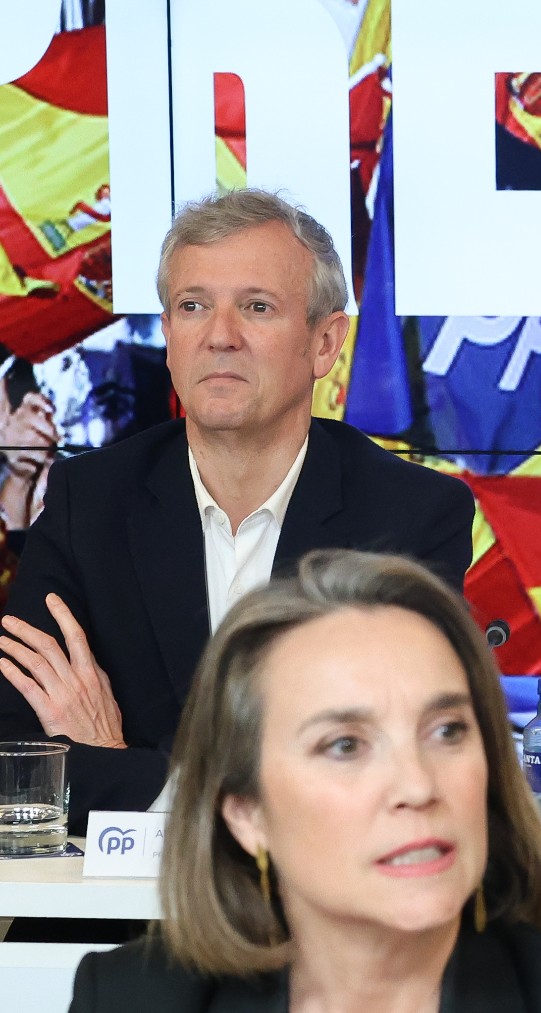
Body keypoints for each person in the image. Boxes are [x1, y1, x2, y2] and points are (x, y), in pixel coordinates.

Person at [0, 189, 475, 829]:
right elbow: (17, 760)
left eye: (257, 307)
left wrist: (122, 766)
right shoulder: (91, 500)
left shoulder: (410, 516)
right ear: (167, 336)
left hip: (316, 914)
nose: (220, 337)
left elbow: (387, 770)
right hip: (112, 915)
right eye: (193, 307)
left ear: (326, 343)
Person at [67, 550, 541, 1012]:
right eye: (345, 745)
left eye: (446, 731)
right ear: (246, 813)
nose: (417, 786)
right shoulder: (128, 1000)